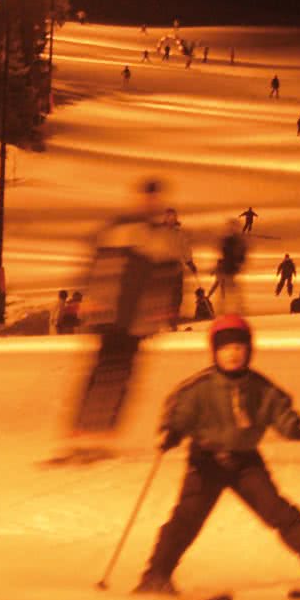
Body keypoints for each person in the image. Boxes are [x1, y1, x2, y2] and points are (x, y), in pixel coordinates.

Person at [135, 315, 300, 599]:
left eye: (239, 348)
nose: (233, 354)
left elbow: (280, 413)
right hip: (207, 461)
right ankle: (156, 575)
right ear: (214, 352)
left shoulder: (260, 387)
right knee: (186, 519)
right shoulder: (199, 387)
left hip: (245, 462)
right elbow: (178, 413)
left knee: (278, 511)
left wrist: (298, 428)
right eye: (226, 349)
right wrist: (171, 433)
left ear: (249, 351)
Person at [48, 180, 188, 465]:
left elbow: (173, 277)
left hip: (137, 319)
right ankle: (82, 430)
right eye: (145, 198)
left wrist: (168, 309)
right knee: (99, 373)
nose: (148, 204)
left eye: (153, 200)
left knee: (121, 376)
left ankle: (102, 433)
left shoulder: (163, 238)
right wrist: (88, 298)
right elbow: (95, 266)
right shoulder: (117, 230)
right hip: (109, 315)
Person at [207, 220, 248, 316]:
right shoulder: (228, 240)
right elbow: (223, 253)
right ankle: (227, 309)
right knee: (226, 289)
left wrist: (239, 262)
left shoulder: (236, 241)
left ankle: (236, 309)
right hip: (227, 267)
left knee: (230, 288)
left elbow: (241, 254)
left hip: (231, 267)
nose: (232, 229)